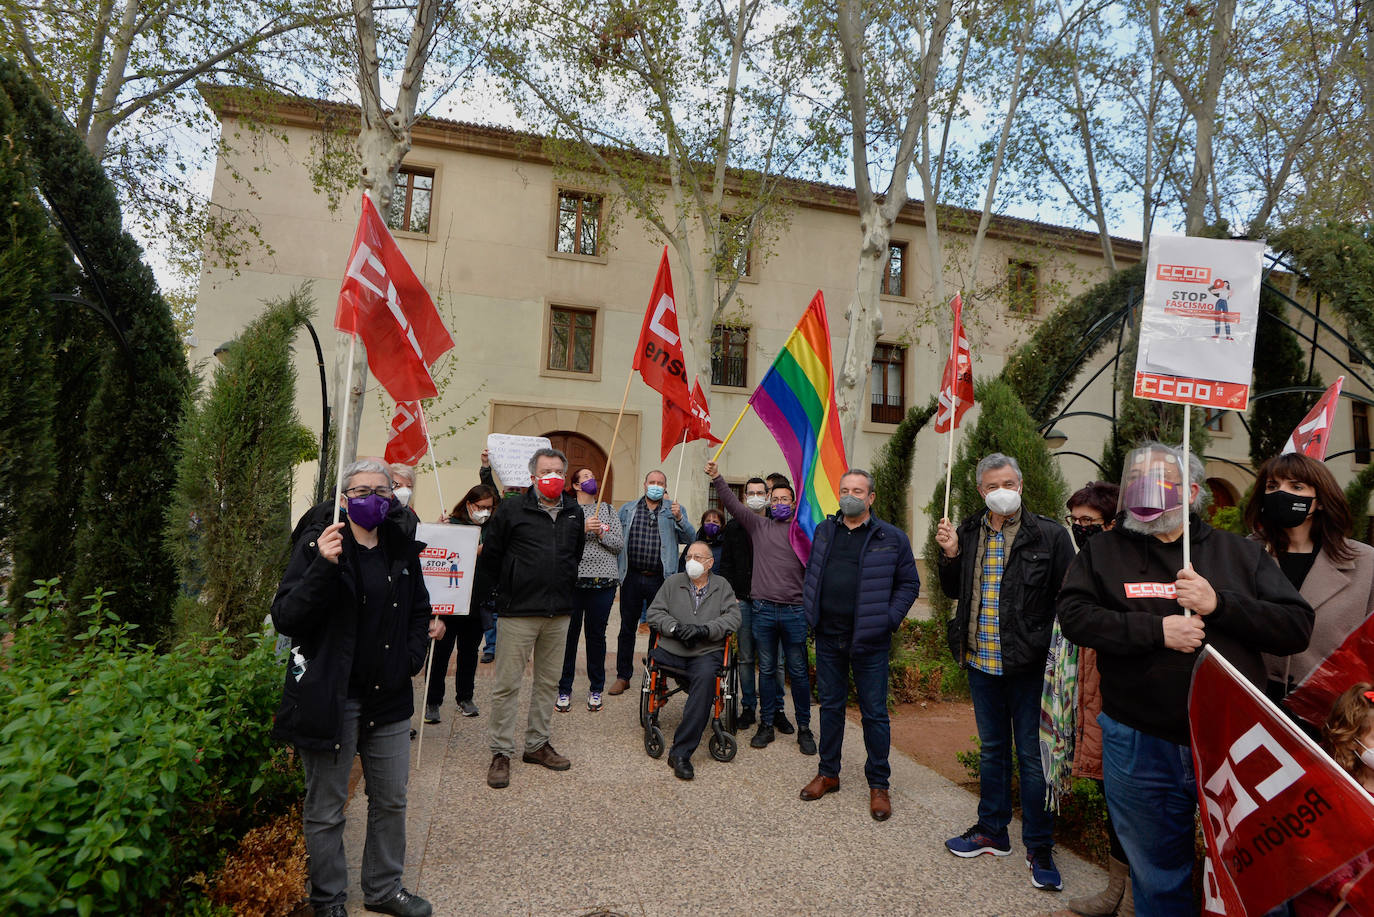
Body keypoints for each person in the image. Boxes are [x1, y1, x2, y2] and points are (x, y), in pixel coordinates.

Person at [1059, 442, 1313, 915]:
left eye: (1158, 478)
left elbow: (1296, 628)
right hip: (1138, 740)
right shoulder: (1103, 551)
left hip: (1232, 740)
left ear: (1191, 491)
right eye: (1136, 478)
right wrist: (1156, 631)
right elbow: (1074, 617)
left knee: (1250, 869)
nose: (1144, 488)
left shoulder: (1240, 554)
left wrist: (1219, 604)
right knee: (1156, 875)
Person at [270, 459, 444, 917]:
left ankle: (384, 888)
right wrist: (322, 567)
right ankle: (328, 899)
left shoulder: (399, 547)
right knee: (327, 806)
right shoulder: (320, 543)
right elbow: (287, 616)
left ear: (392, 498)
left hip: (388, 697)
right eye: (362, 491)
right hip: (333, 696)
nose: (373, 498)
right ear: (345, 499)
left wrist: (411, 658)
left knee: (391, 799)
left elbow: (419, 609)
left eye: (381, 491)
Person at [935, 452, 1073, 891]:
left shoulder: (1049, 535)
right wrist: (950, 554)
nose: (1002, 492)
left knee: (1032, 757)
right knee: (993, 750)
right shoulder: (968, 530)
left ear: (1021, 485)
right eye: (993, 485)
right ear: (981, 490)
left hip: (1029, 666)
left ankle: (1039, 846)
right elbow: (952, 589)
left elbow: (1068, 598)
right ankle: (992, 830)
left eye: (1009, 483)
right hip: (981, 661)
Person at [799, 469, 920, 821]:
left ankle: (879, 785)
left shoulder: (891, 537)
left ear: (871, 498)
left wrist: (887, 619)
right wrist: (811, 610)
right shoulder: (825, 531)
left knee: (874, 714)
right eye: (845, 490)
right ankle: (828, 773)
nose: (849, 496)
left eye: (857, 491)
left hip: (870, 641)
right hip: (828, 636)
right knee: (830, 707)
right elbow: (813, 572)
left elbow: (909, 584)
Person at [477, 447, 587, 789]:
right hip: (518, 611)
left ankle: (537, 744)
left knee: (548, 683)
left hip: (559, 612)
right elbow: (492, 556)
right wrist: (500, 595)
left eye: (558, 471)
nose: (552, 476)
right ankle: (501, 751)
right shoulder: (512, 509)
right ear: (533, 477)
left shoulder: (574, 511)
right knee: (507, 685)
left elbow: (575, 554)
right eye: (545, 471)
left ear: (564, 476)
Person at [1057, 481, 1134, 917]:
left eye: (1089, 521)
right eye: (1075, 520)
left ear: (1111, 522)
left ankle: (1135, 900)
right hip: (1089, 695)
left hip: (1121, 698)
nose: (1080, 528)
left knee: (1134, 804)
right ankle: (1115, 890)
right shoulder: (1083, 563)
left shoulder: (1127, 565)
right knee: (1112, 799)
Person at [1243, 453, 1374, 710]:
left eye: (1296, 486)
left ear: (1320, 501)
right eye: (1272, 486)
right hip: (1254, 703)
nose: (1281, 493)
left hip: (1332, 711)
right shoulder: (1244, 553)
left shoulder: (1366, 562)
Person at [705, 460, 814, 756]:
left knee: (797, 671)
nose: (779, 504)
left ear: (793, 503)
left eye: (784, 499)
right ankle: (765, 724)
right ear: (768, 501)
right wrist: (718, 477)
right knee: (765, 669)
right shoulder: (758, 526)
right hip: (763, 611)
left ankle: (804, 728)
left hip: (794, 612)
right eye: (774, 499)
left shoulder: (802, 532)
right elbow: (732, 504)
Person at [645, 541, 741, 780]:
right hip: (672, 649)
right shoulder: (672, 582)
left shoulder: (722, 586)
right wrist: (675, 628)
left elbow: (733, 618)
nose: (692, 562)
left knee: (706, 680)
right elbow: (654, 613)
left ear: (710, 563)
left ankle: (680, 753)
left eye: (698, 557)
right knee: (658, 664)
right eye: (689, 557)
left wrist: (705, 630)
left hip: (705, 652)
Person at [1289, 684, 1374, 917]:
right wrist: (1340, 883)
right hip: (1329, 906)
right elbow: (1306, 841)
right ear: (1352, 739)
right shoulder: (1325, 786)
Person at [609, 470, 694, 695]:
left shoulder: (674, 510)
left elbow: (691, 539)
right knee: (627, 628)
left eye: (660, 483)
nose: (656, 485)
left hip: (660, 579)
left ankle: (656, 676)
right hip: (631, 576)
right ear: (645, 484)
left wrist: (680, 518)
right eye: (652, 482)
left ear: (665, 487)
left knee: (659, 629)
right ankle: (623, 676)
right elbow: (616, 539)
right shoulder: (628, 509)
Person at [423, 483, 499, 724]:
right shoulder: (453, 525)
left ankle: (465, 698)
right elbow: (436, 552)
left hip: (477, 601)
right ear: (468, 504)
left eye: (489, 508)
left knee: (469, 653)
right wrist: (439, 530)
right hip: (449, 600)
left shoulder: (493, 529)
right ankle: (432, 701)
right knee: (440, 653)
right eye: (481, 506)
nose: (485, 512)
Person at [557, 467, 624, 713]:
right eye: (585, 477)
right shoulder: (567, 510)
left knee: (596, 636)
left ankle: (596, 688)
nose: (591, 479)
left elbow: (618, 545)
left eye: (592, 476)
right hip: (573, 583)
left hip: (603, 583)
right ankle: (564, 689)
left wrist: (601, 532)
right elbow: (560, 542)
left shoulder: (608, 510)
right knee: (569, 637)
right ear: (575, 485)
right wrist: (583, 530)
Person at [716, 476, 773, 729]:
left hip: (770, 601)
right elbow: (726, 564)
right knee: (746, 658)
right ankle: (748, 707)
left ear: (768, 496)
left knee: (773, 662)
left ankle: (775, 710)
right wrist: (732, 595)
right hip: (743, 600)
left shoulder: (776, 524)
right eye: (751, 493)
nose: (755, 497)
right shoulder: (733, 527)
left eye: (760, 493)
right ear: (744, 497)